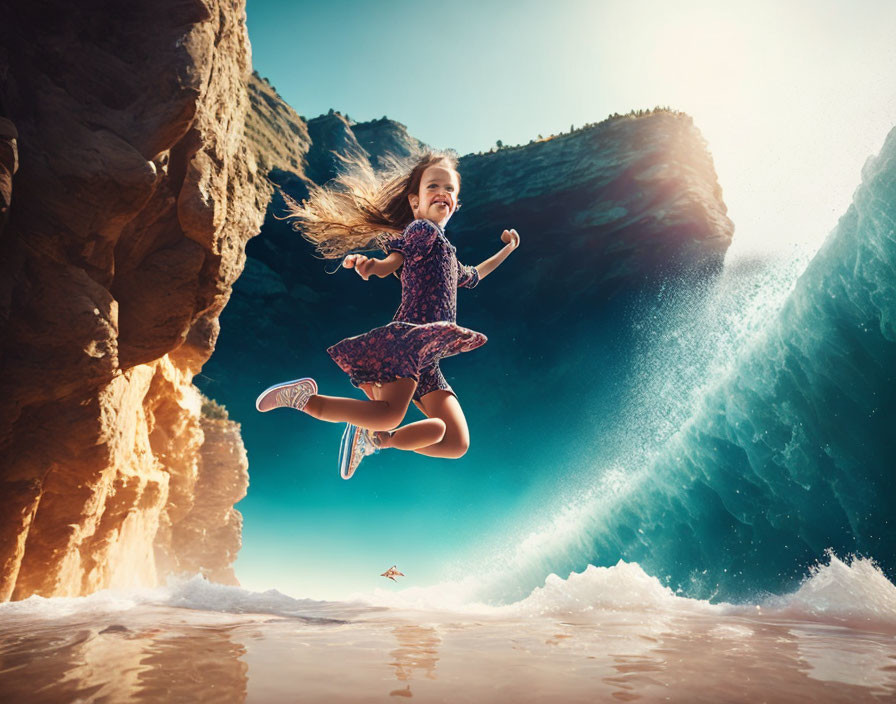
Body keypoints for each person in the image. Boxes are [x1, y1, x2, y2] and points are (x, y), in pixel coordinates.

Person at [256, 150, 520, 478]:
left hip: (428, 357)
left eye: (450, 189)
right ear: (415, 202)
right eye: (433, 186)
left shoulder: (449, 255)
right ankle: (305, 399)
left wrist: (508, 249)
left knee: (455, 442)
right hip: (409, 341)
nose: (443, 193)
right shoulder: (422, 232)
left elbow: (476, 274)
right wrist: (375, 267)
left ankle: (377, 441)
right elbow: (396, 260)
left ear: (457, 203)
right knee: (389, 413)